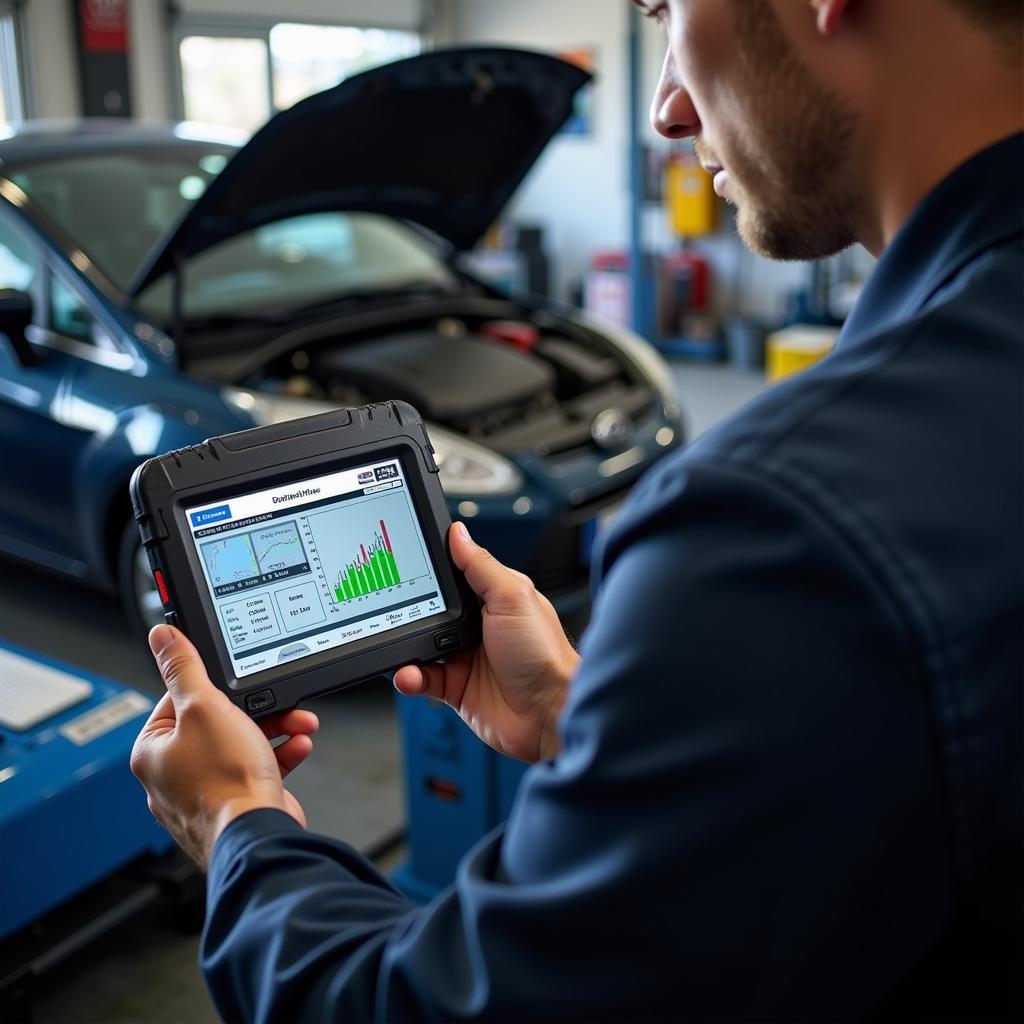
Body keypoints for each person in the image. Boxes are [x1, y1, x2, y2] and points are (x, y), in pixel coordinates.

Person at [131, 0, 1023, 1019]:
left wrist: (237, 821)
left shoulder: (780, 527)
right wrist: (584, 717)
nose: (666, 111)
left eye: (668, 9)